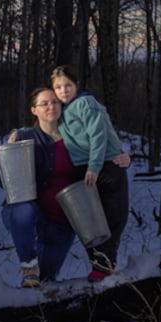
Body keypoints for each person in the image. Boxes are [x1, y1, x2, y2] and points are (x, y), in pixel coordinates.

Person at [0, 87, 130, 287]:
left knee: (46, 280)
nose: (51, 106)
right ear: (33, 110)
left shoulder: (78, 138)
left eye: (55, 102)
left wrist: (124, 159)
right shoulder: (24, 138)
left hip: (62, 222)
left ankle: (37, 305)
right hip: (30, 216)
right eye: (44, 103)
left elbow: (105, 153)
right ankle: (28, 268)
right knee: (24, 208)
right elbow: (12, 186)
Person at [49, 65, 131, 282]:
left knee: (115, 216)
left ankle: (104, 266)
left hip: (106, 165)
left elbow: (98, 136)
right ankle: (100, 265)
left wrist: (94, 167)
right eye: (58, 87)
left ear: (76, 85)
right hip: (83, 170)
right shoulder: (60, 110)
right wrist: (16, 133)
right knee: (90, 222)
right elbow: (41, 126)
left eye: (68, 85)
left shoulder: (85, 103)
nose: (64, 90)